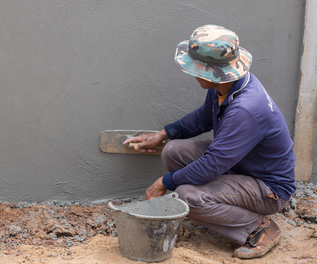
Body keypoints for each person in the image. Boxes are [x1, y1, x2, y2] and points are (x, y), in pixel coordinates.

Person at [123, 25, 296, 259]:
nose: (193, 73)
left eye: (196, 69)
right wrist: (163, 134)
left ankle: (258, 227)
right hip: (241, 165)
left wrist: (163, 182)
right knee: (172, 152)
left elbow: (212, 165)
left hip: (268, 188)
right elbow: (204, 117)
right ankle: (222, 207)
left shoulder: (245, 109)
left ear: (212, 71)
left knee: (186, 196)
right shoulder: (226, 85)